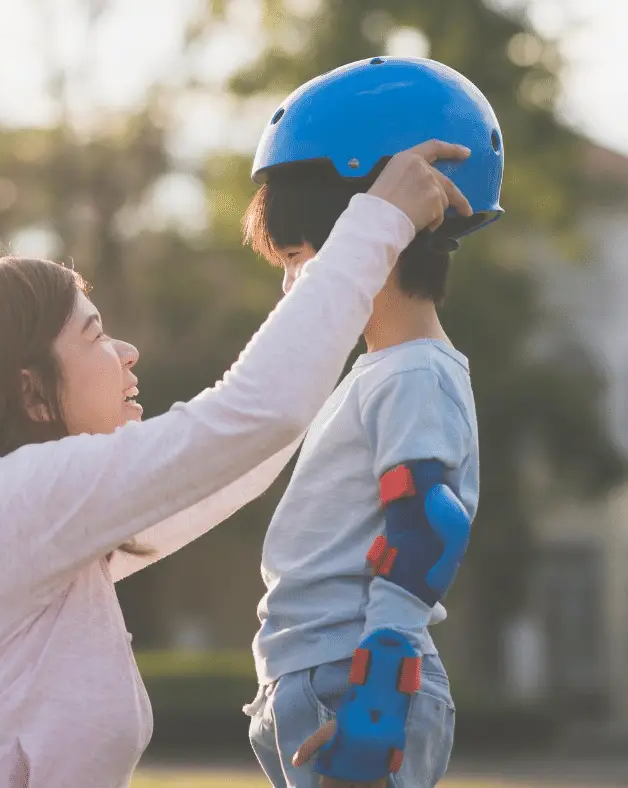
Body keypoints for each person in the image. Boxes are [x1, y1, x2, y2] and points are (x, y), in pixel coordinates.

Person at [0, 141, 470, 788]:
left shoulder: (17, 531)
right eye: (92, 334)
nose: (127, 351)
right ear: (29, 389)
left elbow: (238, 456)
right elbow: (250, 419)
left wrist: (322, 284)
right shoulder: (11, 505)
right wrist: (376, 222)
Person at [240, 57, 505, 788]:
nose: (293, 285)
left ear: (380, 234)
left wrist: (377, 704)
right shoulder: (383, 371)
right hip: (318, 676)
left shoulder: (415, 373)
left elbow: (426, 529)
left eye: (299, 258)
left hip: (355, 683)